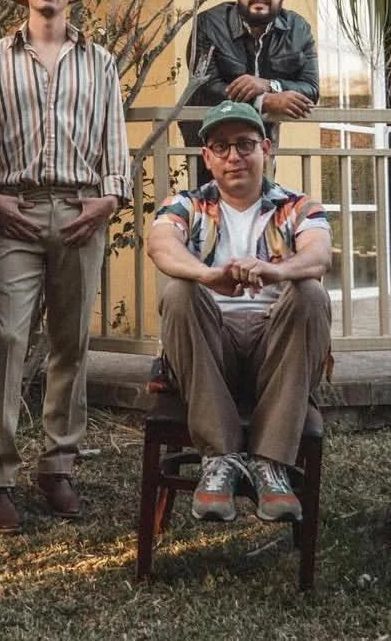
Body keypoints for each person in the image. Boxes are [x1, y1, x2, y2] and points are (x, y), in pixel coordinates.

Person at [0, 0, 130, 532]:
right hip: (16, 211)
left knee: (70, 343)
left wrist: (109, 200)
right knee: (9, 339)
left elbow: (115, 140)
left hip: (83, 212)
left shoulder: (101, 62)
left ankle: (58, 465)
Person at [147, 99, 332, 525]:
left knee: (311, 295)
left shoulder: (298, 206)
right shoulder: (186, 205)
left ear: (266, 149)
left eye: (245, 144)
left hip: (275, 347)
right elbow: (160, 246)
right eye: (222, 146)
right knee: (180, 292)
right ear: (207, 157)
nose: (234, 156)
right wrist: (208, 276)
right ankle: (220, 458)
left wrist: (272, 271)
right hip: (209, 348)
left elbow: (319, 255)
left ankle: (271, 463)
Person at [184, 0, 319, 180]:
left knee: (262, 211)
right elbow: (205, 88)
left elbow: (311, 89)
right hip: (212, 146)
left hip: (260, 145)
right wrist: (265, 102)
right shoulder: (209, 24)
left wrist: (269, 85)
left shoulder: (298, 29)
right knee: (211, 212)